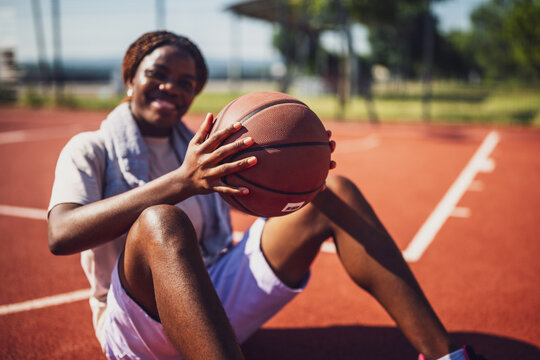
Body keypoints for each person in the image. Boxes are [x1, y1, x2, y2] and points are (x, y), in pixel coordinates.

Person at [47, 30, 482, 360]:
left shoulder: (203, 146)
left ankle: (446, 354)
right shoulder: (91, 149)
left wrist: (301, 172)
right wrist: (182, 181)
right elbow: (60, 234)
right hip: (133, 327)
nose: (170, 87)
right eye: (157, 74)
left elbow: (259, 197)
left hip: (210, 299)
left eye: (185, 81)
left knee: (335, 190)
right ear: (130, 77)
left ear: (194, 92)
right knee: (161, 220)